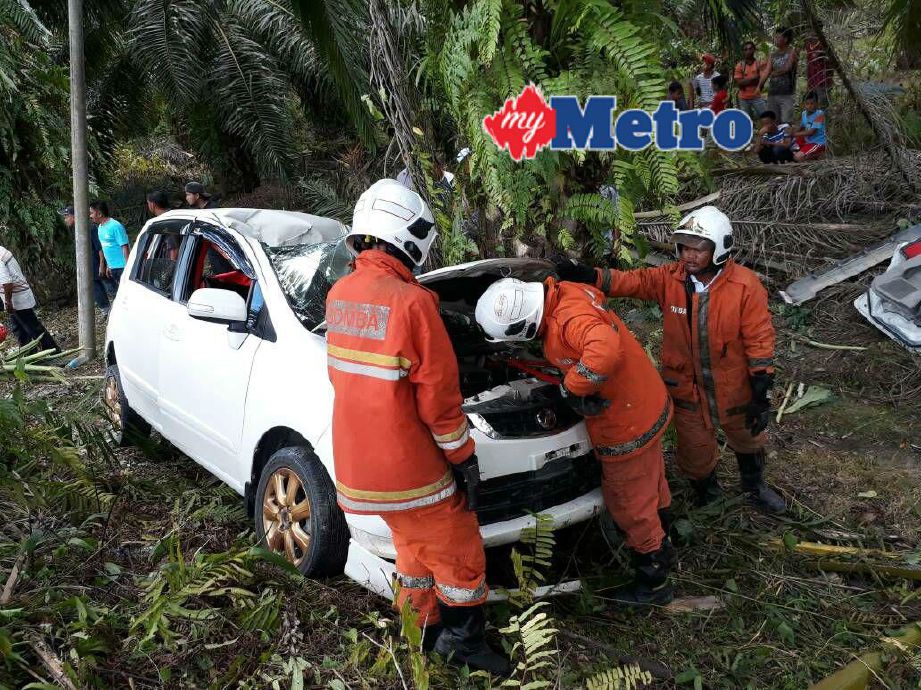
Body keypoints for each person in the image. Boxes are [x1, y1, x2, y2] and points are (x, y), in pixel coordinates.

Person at [324, 179, 509, 675]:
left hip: (356, 472)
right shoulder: (414, 303)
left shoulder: (339, 295)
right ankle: (465, 644)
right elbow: (440, 404)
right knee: (457, 549)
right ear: (409, 238)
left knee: (411, 549)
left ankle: (419, 630)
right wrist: (463, 456)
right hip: (411, 472)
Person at [556, 207, 785, 515]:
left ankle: (754, 486)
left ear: (720, 249)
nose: (688, 256)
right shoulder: (669, 279)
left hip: (733, 385)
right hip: (686, 387)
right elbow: (631, 282)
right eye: (684, 247)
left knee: (748, 436)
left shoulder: (744, 286)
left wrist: (761, 388)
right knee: (695, 449)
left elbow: (759, 338)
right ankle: (708, 493)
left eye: (698, 249)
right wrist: (590, 275)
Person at [475, 278, 675, 606]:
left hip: (624, 420)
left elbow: (605, 349)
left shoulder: (568, 320)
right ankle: (665, 535)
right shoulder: (564, 293)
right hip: (643, 403)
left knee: (627, 500)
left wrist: (573, 386)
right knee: (651, 480)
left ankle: (653, 579)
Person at [0, 243, 59, 353]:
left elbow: (7, 282)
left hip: (16, 298)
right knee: (19, 329)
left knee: (33, 328)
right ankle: (29, 354)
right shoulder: (1, 251)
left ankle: (53, 351)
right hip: (16, 296)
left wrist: (8, 302)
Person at [60, 206, 109, 315]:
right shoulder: (77, 229)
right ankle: (106, 309)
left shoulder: (90, 228)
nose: (65, 219)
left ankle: (108, 310)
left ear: (73, 216)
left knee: (104, 286)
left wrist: (102, 263)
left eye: (66, 216)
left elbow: (99, 246)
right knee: (96, 287)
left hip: (96, 262)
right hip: (89, 263)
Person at [89, 201, 130, 287]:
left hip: (122, 267)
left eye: (92, 213)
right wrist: (108, 265)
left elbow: (124, 246)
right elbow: (105, 248)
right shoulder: (100, 227)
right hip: (112, 268)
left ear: (99, 214)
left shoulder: (115, 226)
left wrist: (128, 267)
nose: (90, 216)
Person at [765, 27, 798, 124]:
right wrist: (760, 84)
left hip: (787, 93)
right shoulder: (773, 55)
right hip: (772, 92)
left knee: (786, 123)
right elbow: (767, 70)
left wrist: (774, 73)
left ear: (785, 39)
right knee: (773, 122)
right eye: (774, 37)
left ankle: (787, 139)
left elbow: (787, 68)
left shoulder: (792, 52)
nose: (775, 39)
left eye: (777, 37)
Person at [733, 41, 769, 120]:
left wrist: (746, 81)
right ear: (743, 51)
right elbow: (740, 83)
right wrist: (755, 78)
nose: (748, 51)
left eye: (750, 49)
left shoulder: (759, 64)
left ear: (754, 50)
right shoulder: (740, 66)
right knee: (746, 121)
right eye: (745, 49)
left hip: (757, 96)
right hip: (743, 98)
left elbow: (761, 80)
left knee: (766, 117)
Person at [792, 91, 827, 161]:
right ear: (804, 104)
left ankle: (819, 154)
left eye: (812, 103)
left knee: (797, 157)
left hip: (817, 142)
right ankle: (807, 154)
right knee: (790, 147)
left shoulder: (820, 114)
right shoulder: (804, 113)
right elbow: (801, 127)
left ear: (817, 103)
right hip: (807, 141)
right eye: (807, 104)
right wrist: (791, 131)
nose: (810, 106)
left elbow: (811, 132)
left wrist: (795, 134)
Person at [805, 35, 833, 107]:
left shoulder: (823, 45)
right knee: (812, 105)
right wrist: (809, 81)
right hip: (812, 82)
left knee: (823, 105)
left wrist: (828, 78)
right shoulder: (808, 46)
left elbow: (831, 64)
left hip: (822, 82)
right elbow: (809, 64)